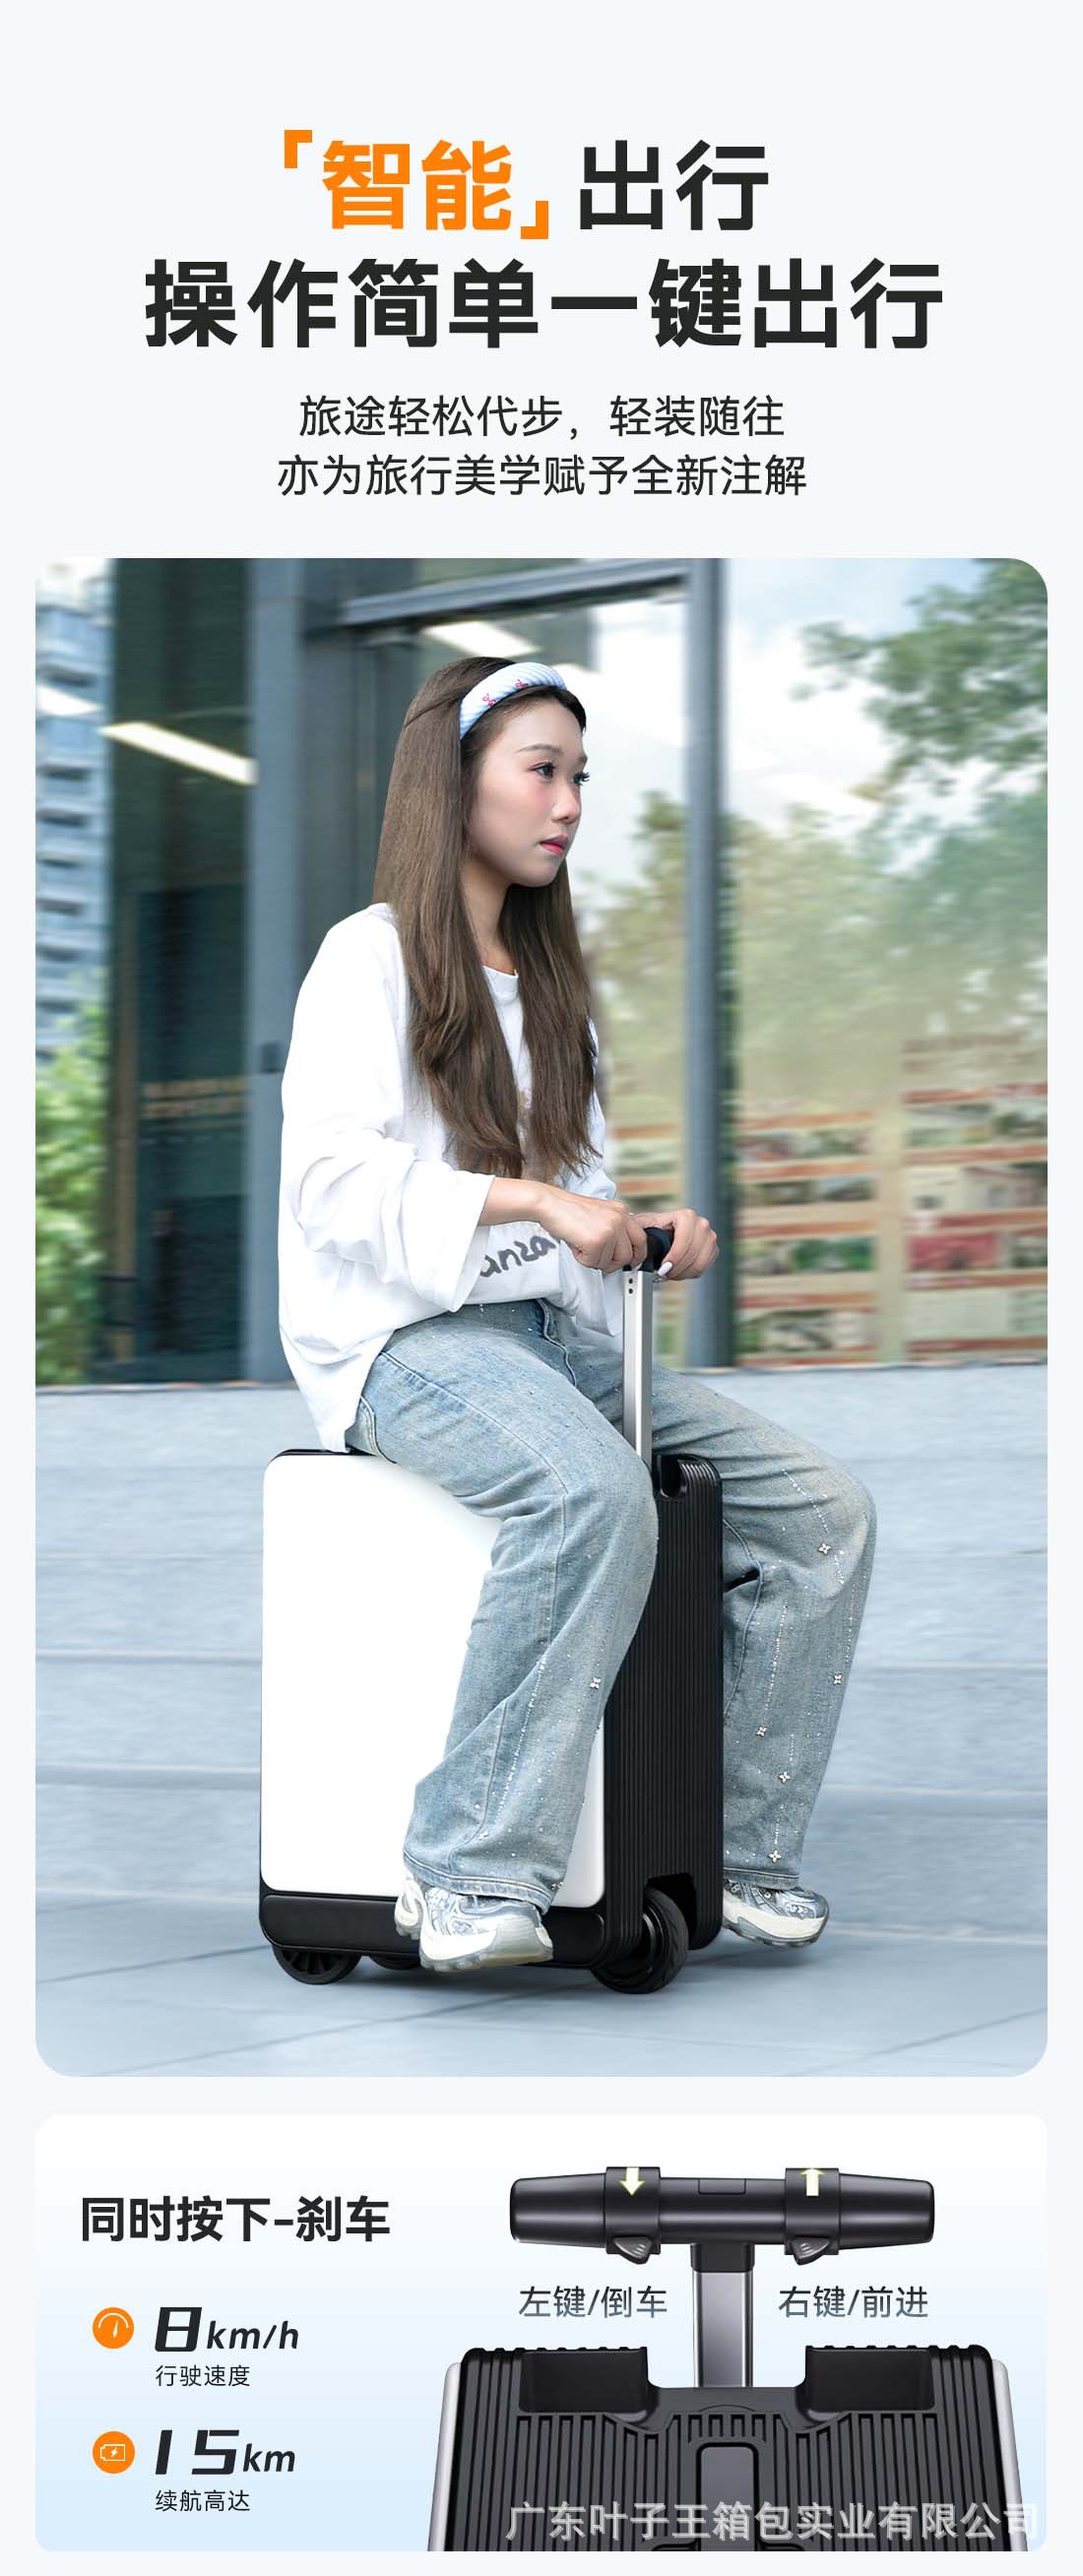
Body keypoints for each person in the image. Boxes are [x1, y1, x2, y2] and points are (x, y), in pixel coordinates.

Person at [279, 657, 876, 1975]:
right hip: (405, 1348)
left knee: (822, 1515)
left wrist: (645, 1238)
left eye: (580, 778)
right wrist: (533, 1204)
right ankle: (467, 1872)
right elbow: (330, 1186)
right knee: (595, 1494)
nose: (568, 804)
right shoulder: (367, 959)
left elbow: (582, 1211)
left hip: (555, 1345)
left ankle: (737, 1848)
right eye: (541, 771)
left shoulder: (555, 997)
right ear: (455, 782)